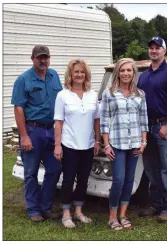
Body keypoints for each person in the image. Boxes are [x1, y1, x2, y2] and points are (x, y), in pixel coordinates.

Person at [137, 37, 167, 222]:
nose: (154, 51)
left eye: (158, 48)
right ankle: (155, 203)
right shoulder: (144, 75)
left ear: (164, 51)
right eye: (151, 48)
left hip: (164, 125)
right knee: (150, 167)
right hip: (147, 127)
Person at [11, 45, 62, 222]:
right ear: (32, 58)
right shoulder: (23, 80)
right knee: (31, 172)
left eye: (46, 57)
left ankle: (46, 207)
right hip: (33, 131)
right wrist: (24, 136)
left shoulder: (54, 75)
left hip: (52, 130)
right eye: (39, 57)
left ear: (49, 58)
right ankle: (33, 209)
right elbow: (18, 109)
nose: (43, 60)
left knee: (55, 169)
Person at [100, 58, 149, 230]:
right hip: (117, 144)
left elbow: (144, 120)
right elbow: (104, 120)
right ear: (118, 73)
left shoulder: (140, 94)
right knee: (118, 180)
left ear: (134, 73)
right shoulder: (109, 93)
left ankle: (123, 214)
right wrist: (106, 144)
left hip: (135, 143)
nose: (126, 73)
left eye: (129, 70)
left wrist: (143, 141)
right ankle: (112, 217)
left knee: (129, 181)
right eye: (122, 70)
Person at [53, 59, 101, 228]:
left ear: (86, 75)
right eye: (76, 72)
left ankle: (78, 211)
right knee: (68, 180)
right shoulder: (62, 95)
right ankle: (66, 213)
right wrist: (58, 145)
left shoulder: (92, 95)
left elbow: (96, 120)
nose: (79, 75)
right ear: (70, 75)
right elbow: (58, 122)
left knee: (83, 180)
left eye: (82, 72)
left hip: (88, 145)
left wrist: (97, 140)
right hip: (69, 144)